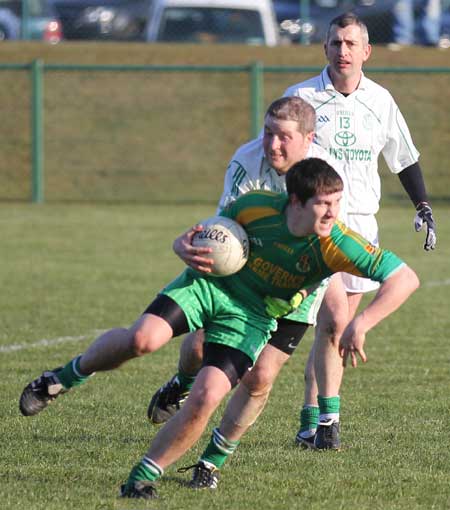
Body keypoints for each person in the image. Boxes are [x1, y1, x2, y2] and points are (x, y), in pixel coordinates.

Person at [19, 158, 419, 499]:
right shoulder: (256, 205)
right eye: (324, 205)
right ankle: (63, 377)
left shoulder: (336, 242)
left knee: (208, 395)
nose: (334, 213)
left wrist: (362, 322)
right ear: (294, 202)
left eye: (336, 202)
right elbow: (208, 235)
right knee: (143, 339)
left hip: (252, 317)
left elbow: (404, 278)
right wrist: (183, 246)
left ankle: (141, 478)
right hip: (209, 286)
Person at [146, 96, 349, 456]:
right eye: (268, 133)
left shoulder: (326, 177)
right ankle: (182, 382)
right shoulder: (246, 158)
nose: (272, 145)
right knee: (196, 348)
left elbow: (324, 246)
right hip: (244, 274)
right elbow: (227, 230)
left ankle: (212, 460)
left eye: (284, 137)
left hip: (294, 285)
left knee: (260, 377)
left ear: (309, 139)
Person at [282, 11, 436, 449]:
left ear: (366, 51)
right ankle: (329, 422)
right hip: (317, 229)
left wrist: (422, 204)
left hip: (362, 228)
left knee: (332, 328)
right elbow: (278, 157)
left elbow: (403, 157)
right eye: (335, 43)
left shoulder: (381, 101)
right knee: (332, 321)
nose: (343, 51)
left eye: (351, 44)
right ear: (325, 48)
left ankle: (310, 421)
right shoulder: (301, 99)